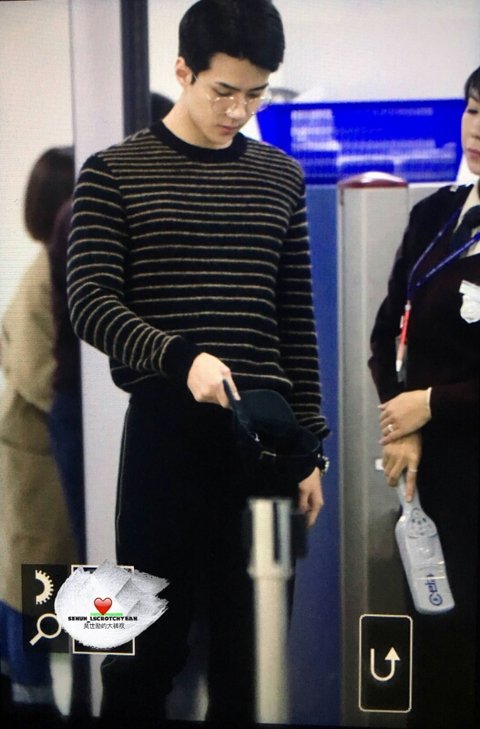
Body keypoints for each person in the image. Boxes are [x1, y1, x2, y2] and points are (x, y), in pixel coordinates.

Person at [67, 0, 329, 725]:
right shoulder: (113, 172)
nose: (238, 111)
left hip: (264, 443)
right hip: (165, 442)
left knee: (253, 663)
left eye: (256, 94)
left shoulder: (280, 177)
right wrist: (179, 357)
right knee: (140, 655)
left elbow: (294, 321)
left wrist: (311, 446)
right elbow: (89, 302)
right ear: (183, 71)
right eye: (223, 91)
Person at [368, 66, 480, 729]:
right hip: (427, 473)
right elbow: (387, 331)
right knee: (434, 648)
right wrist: (403, 421)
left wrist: (432, 403)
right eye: (473, 110)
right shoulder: (437, 213)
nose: (478, 129)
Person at [0, 147, 78, 728]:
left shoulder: (60, 267)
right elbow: (36, 372)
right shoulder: (45, 275)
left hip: (52, 450)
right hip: (42, 453)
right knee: (31, 588)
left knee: (44, 581)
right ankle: (32, 697)